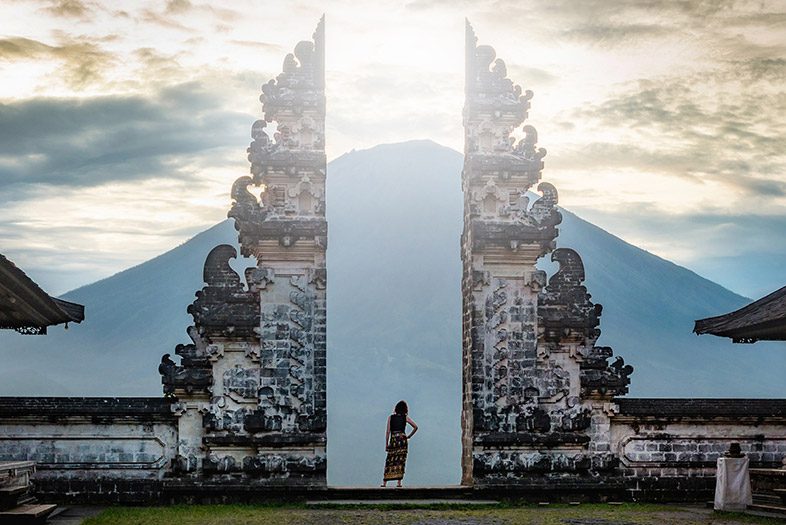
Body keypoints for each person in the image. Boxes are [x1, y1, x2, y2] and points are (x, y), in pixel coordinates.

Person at [381, 400, 418, 487]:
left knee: (390, 460)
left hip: (394, 439)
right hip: (402, 440)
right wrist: (408, 436)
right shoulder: (405, 417)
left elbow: (388, 432)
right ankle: (399, 482)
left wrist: (386, 444)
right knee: (400, 460)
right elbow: (415, 427)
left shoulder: (391, 417)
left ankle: (385, 482)